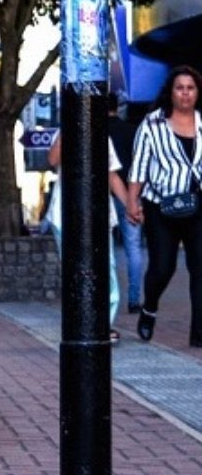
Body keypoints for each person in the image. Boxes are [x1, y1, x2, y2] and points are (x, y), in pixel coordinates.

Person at [127, 65, 202, 347]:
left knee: (200, 267)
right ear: (170, 92)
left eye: (190, 88)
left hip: (197, 205)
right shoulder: (153, 124)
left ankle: (199, 332)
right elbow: (139, 166)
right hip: (160, 205)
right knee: (162, 266)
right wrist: (132, 201)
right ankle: (149, 309)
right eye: (179, 88)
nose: (185, 93)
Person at [46, 131, 131, 343]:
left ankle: (104, 324)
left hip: (99, 214)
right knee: (73, 272)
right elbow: (53, 160)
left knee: (107, 268)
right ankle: (78, 322)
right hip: (65, 215)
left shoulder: (103, 136)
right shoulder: (63, 132)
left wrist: (130, 204)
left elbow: (112, 175)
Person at [108, 92, 144, 314]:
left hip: (104, 195)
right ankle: (133, 299)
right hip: (130, 194)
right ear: (117, 107)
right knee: (133, 247)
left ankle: (109, 296)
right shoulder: (132, 131)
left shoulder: (96, 131)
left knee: (106, 248)